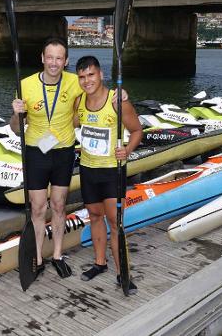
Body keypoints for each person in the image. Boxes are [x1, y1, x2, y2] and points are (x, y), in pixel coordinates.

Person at [11, 38, 82, 279]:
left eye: (59, 58)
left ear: (66, 61)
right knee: (39, 208)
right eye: (49, 57)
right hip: (35, 152)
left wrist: (119, 96)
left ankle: (59, 255)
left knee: (59, 205)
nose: (54, 63)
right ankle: (38, 258)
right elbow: (16, 130)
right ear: (42, 58)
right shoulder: (25, 85)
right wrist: (16, 114)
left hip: (63, 152)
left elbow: (96, 96)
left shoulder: (75, 82)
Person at [73, 56, 143, 292]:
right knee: (94, 216)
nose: (86, 81)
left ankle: (122, 272)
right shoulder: (78, 102)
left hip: (112, 171)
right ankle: (100, 263)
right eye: (82, 77)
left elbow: (136, 131)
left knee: (115, 222)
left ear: (100, 74)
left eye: (91, 75)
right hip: (88, 169)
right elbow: (71, 123)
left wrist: (128, 150)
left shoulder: (117, 102)